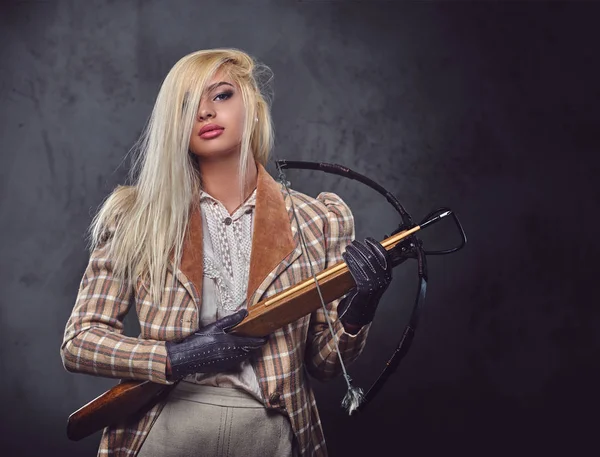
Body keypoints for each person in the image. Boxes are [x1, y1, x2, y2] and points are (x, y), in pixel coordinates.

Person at [61, 48, 393, 457]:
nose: (204, 112)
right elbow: (80, 341)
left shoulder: (318, 220)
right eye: (187, 104)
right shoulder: (136, 218)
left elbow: (325, 365)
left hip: (269, 435)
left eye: (220, 95)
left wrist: (360, 308)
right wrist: (176, 357)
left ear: (251, 105)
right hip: (165, 430)